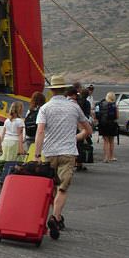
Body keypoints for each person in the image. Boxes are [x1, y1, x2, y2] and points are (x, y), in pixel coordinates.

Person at [33, 75, 92, 239]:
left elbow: (40, 132)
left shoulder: (45, 108)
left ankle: (51, 217)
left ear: (51, 90)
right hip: (68, 152)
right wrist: (74, 138)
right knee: (63, 188)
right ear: (65, 90)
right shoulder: (74, 107)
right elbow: (88, 130)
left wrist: (37, 155)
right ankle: (56, 217)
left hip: (50, 152)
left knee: (50, 187)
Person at [96, 92, 119, 163]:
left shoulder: (101, 104)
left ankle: (106, 157)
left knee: (106, 141)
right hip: (112, 124)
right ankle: (111, 156)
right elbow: (117, 116)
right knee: (111, 141)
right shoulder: (114, 105)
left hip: (103, 124)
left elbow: (97, 114)